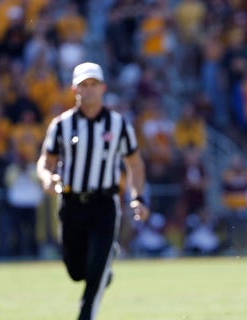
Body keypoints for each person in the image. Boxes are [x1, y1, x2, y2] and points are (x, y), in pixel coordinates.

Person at [36, 62, 149, 320]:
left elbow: (134, 164)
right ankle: (104, 264)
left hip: (104, 204)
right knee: (76, 270)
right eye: (84, 85)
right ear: (74, 88)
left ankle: (86, 314)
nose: (89, 90)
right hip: (71, 203)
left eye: (94, 84)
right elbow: (46, 160)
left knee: (95, 272)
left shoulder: (118, 124)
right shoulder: (61, 124)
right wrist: (47, 178)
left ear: (103, 88)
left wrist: (137, 197)